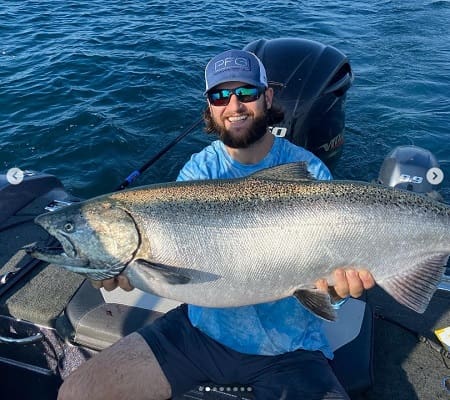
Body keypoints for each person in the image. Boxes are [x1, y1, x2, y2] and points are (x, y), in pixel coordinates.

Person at [58, 50, 375, 400]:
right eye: (220, 96)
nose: (234, 105)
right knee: (77, 392)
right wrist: (127, 273)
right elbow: (173, 271)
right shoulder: (198, 172)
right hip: (201, 334)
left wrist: (336, 290)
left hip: (291, 350)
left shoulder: (309, 172)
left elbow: (328, 284)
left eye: (247, 93)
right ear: (210, 107)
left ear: (268, 97)